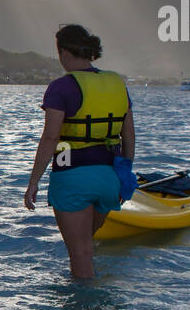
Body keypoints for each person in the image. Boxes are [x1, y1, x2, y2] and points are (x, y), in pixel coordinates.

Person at [23, 24, 135, 278]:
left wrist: (33, 182)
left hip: (73, 178)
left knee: (80, 253)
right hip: (109, 179)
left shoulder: (61, 87)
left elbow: (51, 137)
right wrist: (124, 176)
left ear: (63, 52)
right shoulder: (117, 83)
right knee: (87, 248)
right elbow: (128, 135)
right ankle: (92, 296)